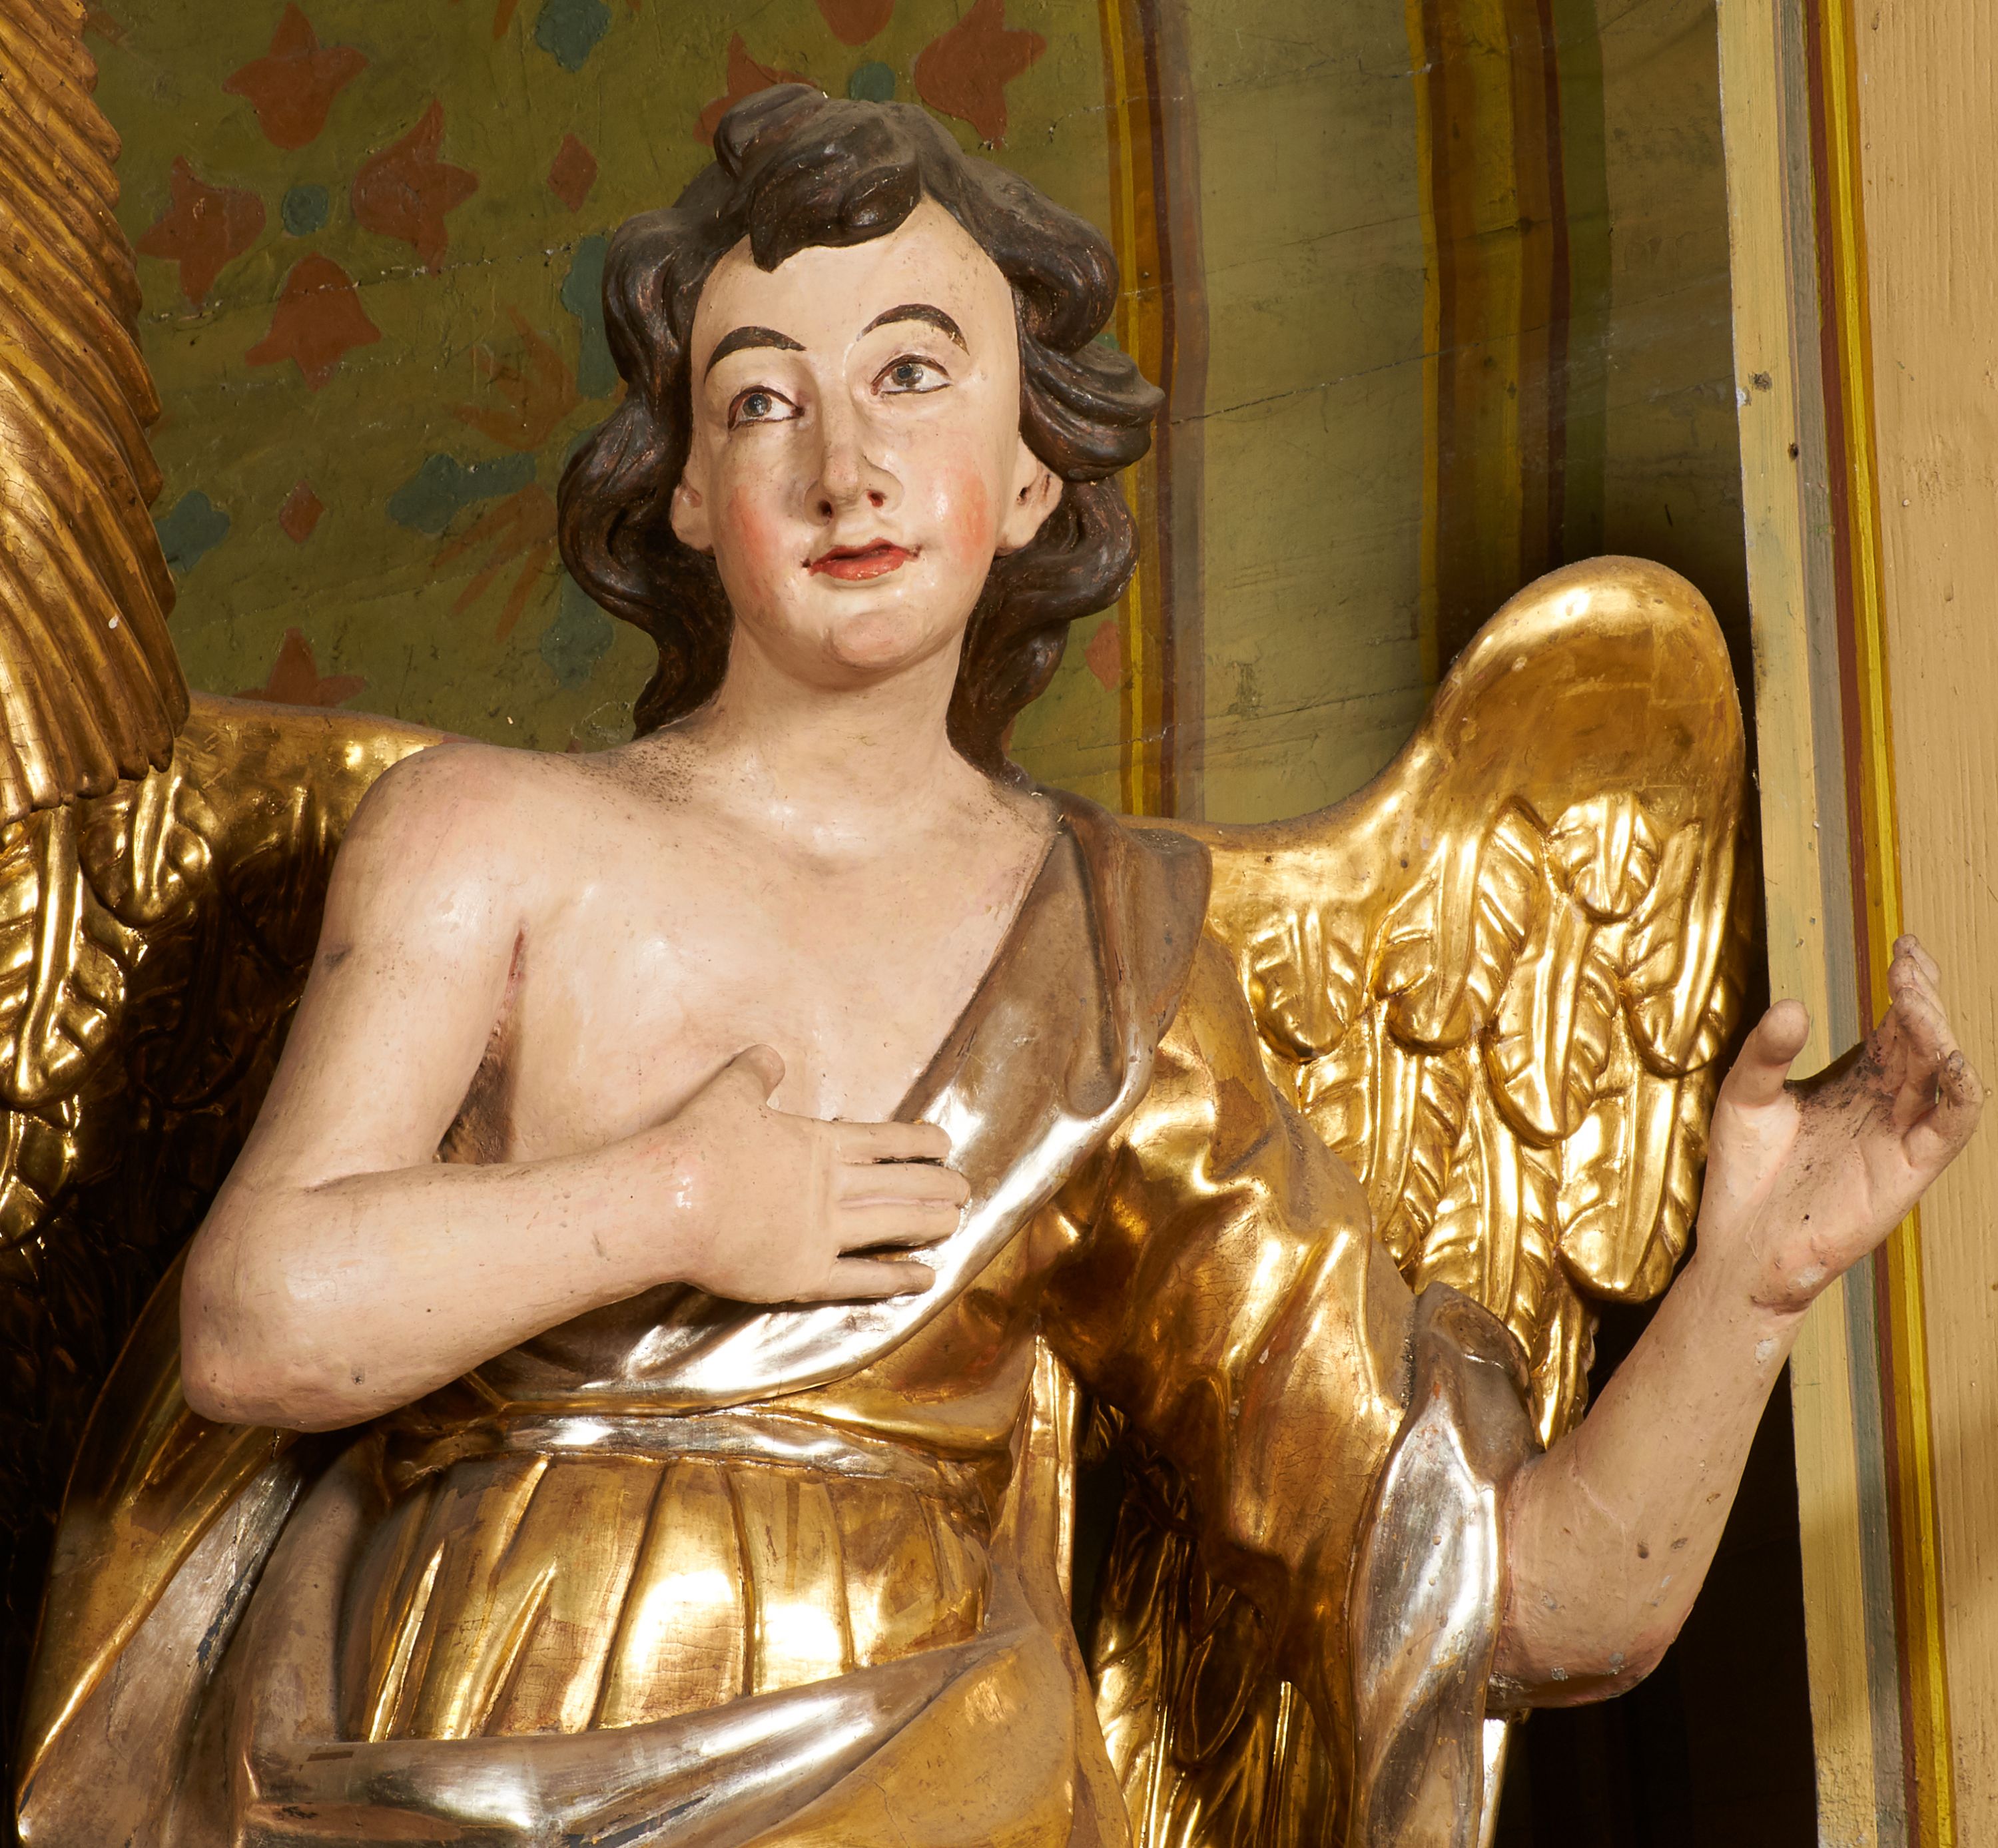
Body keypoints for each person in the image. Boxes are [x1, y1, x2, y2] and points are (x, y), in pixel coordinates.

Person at [18, 87, 1981, 1847]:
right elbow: (257, 1320)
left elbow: (1521, 1598)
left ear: (1031, 469)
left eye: (912, 377)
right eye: (763, 400)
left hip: (941, 1779)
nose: (844, 467)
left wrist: (1752, 1285)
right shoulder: (491, 840)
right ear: (686, 487)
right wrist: (684, 1200)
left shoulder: (1115, 968)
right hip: (480, 1732)